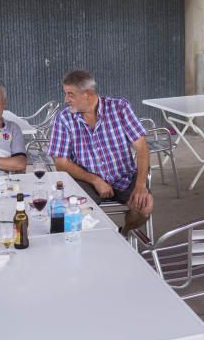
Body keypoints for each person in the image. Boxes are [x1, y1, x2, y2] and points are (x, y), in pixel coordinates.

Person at [50, 70, 152, 235]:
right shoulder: (64, 118)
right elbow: (60, 163)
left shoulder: (119, 107)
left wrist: (140, 185)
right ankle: (90, 248)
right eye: (65, 94)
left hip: (123, 176)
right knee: (74, 212)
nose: (66, 100)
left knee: (144, 208)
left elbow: (142, 148)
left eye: (70, 94)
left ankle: (123, 234)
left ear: (88, 94)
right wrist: (95, 180)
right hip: (87, 181)